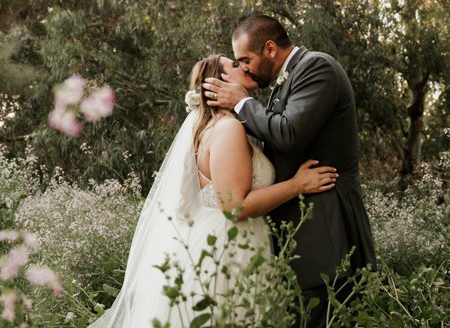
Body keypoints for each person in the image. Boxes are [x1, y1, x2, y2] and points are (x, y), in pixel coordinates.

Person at [92, 54, 338, 327]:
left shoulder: (215, 127)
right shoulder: (228, 129)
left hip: (225, 242)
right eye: (234, 64)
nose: (243, 66)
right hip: (228, 250)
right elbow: (236, 207)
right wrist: (298, 185)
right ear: (218, 82)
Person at [202, 14, 376, 328]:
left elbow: (290, 134)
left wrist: (242, 103)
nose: (245, 68)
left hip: (325, 234)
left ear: (270, 49)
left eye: (246, 59)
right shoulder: (279, 86)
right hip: (298, 240)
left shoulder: (317, 67)